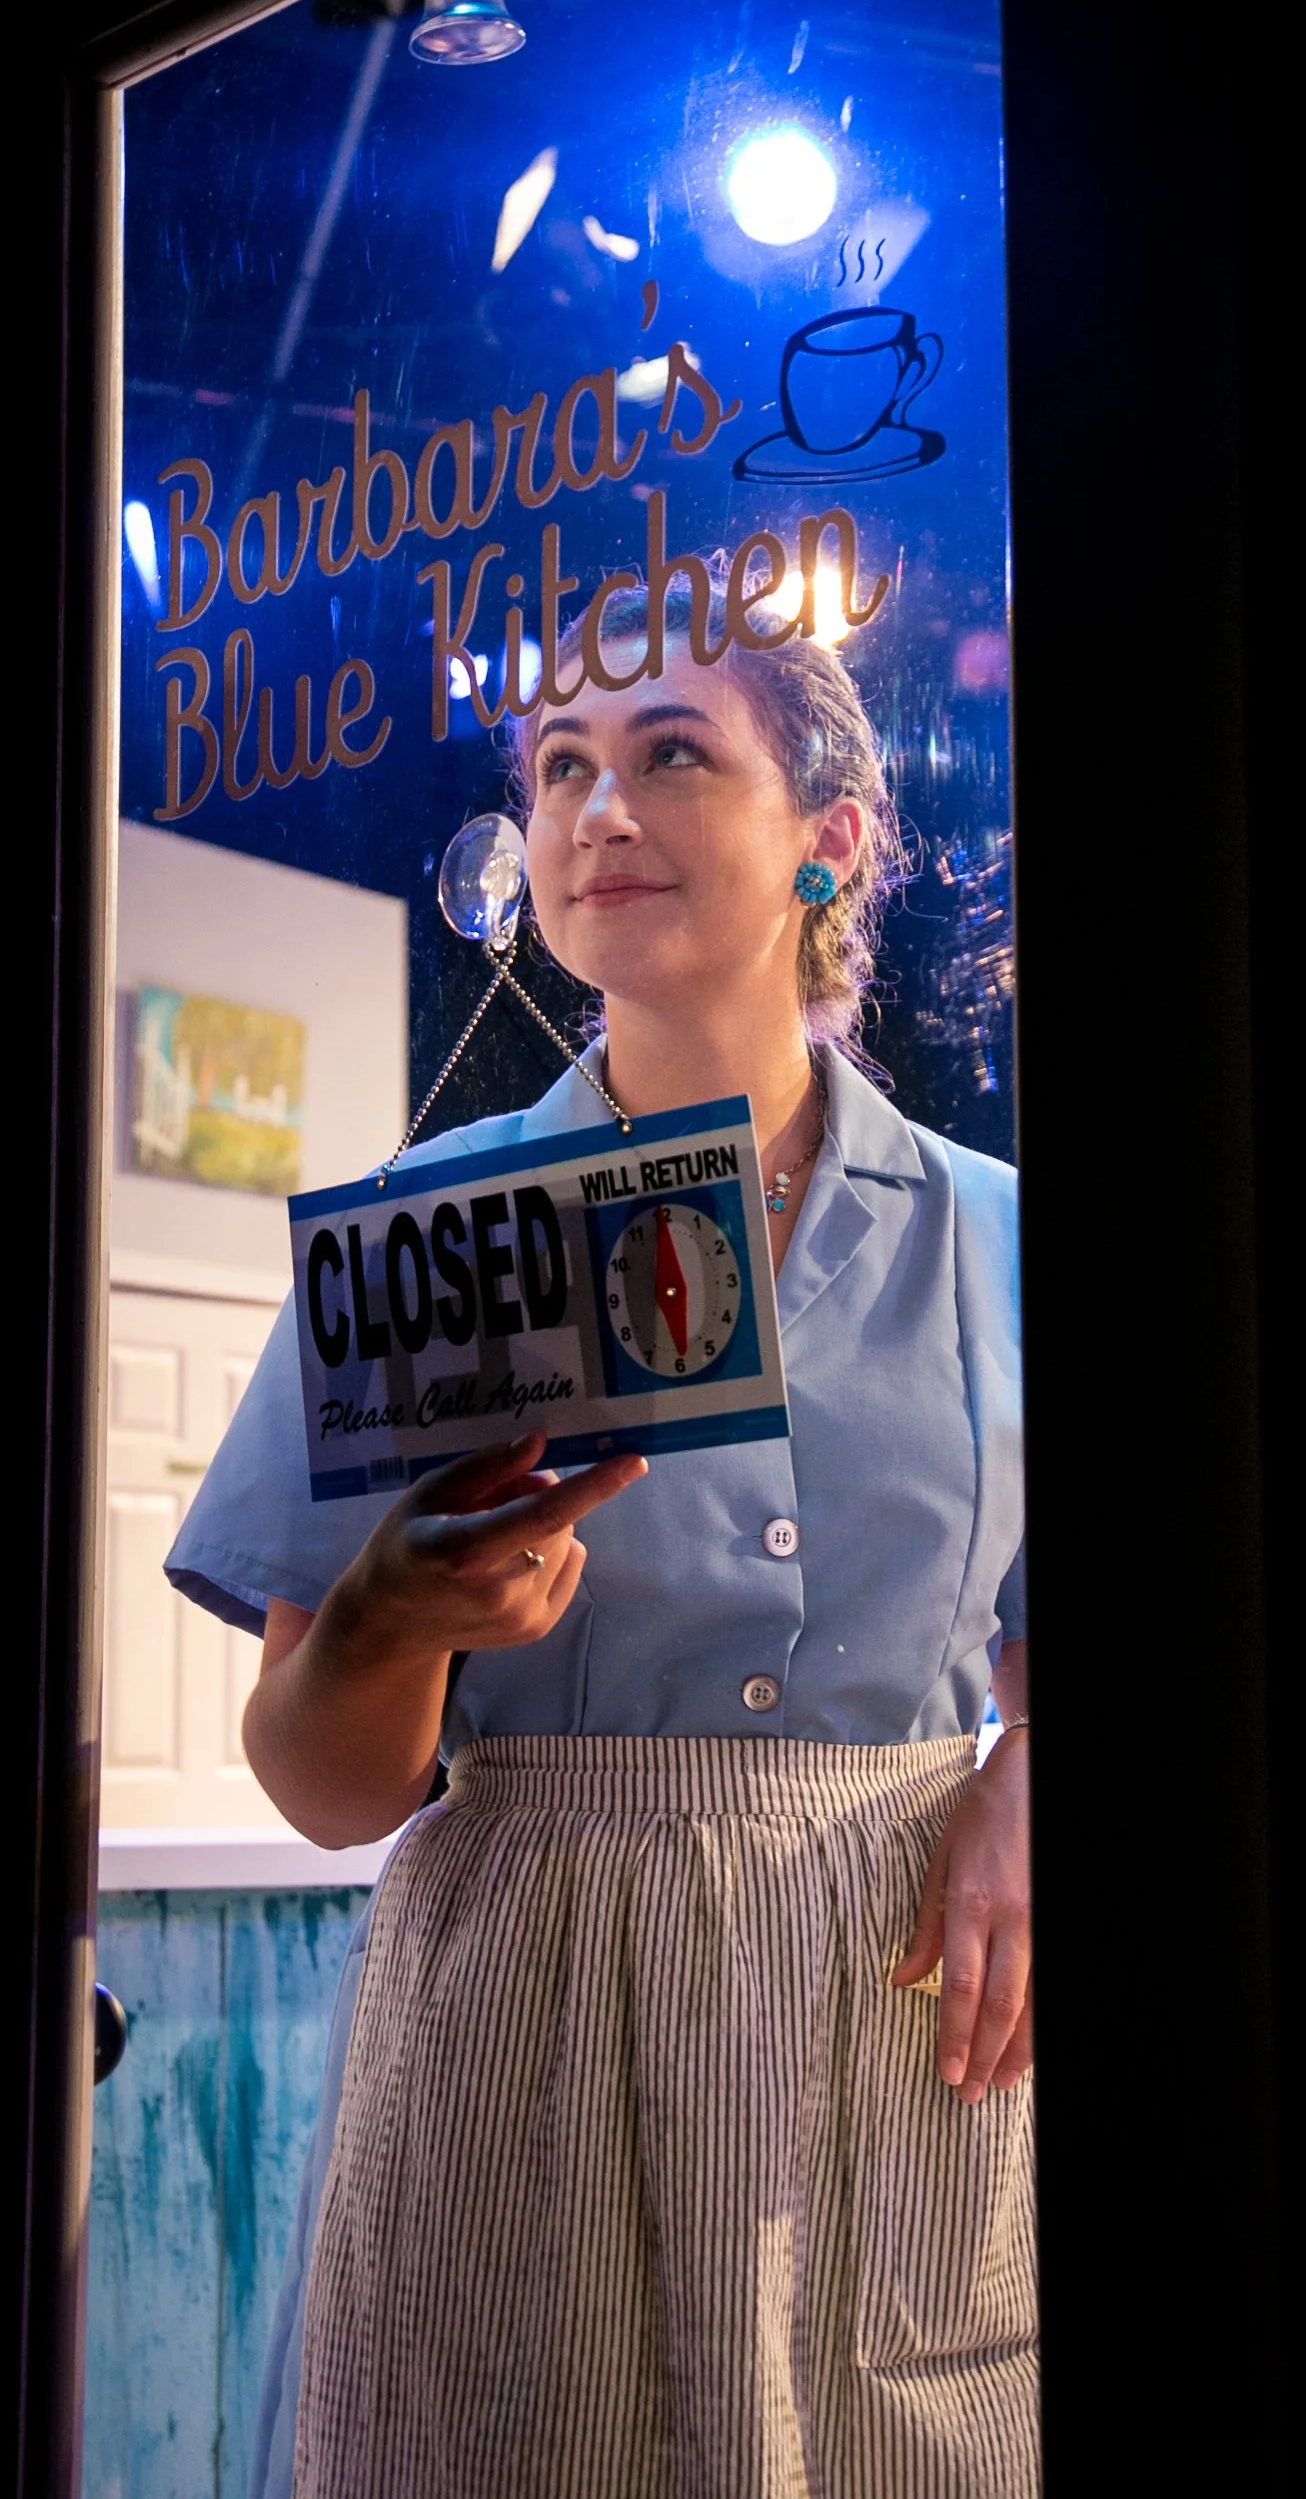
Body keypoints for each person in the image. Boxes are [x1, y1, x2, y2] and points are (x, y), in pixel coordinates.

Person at [167, 576, 1034, 2499]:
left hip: (888, 2034)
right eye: (559, 767)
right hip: (521, 2020)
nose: (597, 810)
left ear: (831, 841)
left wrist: (1025, 1779)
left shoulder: (998, 1237)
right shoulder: (429, 1234)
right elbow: (321, 1785)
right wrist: (391, 1621)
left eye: (666, 753)